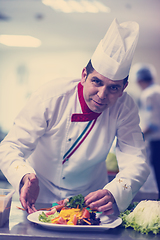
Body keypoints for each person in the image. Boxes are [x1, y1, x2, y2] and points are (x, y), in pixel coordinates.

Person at [0, 19, 149, 214]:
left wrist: (115, 191)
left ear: (124, 88)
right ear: (83, 75)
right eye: (96, 81)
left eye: (113, 87)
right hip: (38, 200)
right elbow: (10, 146)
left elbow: (136, 159)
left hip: (90, 204)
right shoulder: (51, 96)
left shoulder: (125, 107)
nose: (102, 94)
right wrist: (24, 176)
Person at [135, 63, 160, 199]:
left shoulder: (148, 94)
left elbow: (153, 124)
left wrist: (137, 138)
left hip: (157, 142)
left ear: (139, 80)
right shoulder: (158, 90)